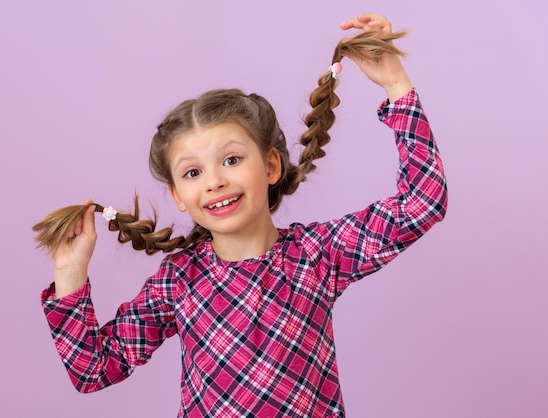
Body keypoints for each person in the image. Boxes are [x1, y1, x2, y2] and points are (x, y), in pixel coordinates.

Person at [33, 13, 447, 418]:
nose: (213, 182)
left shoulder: (317, 255)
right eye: (193, 172)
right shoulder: (178, 281)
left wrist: (396, 83)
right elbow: (93, 370)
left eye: (231, 159)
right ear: (179, 195)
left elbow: (422, 203)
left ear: (270, 166)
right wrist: (70, 273)